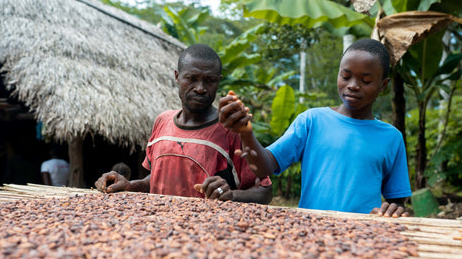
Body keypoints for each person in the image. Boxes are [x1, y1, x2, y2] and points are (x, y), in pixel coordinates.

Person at [218, 38, 411, 217]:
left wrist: (396, 210)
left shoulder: (391, 138)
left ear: (383, 84)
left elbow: (397, 202)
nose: (353, 85)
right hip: (312, 230)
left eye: (365, 81)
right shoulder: (312, 121)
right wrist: (246, 132)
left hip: (364, 237)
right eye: (346, 76)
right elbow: (265, 166)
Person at [95, 44, 272, 204]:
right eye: (192, 78)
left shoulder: (231, 130)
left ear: (219, 81)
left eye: (209, 80)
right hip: (158, 229)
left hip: (209, 233)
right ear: (177, 77)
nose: (200, 88)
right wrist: (129, 186)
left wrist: (231, 195)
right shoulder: (162, 121)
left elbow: (264, 192)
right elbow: (155, 179)